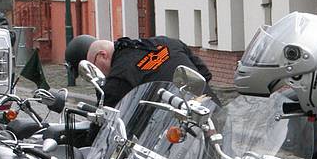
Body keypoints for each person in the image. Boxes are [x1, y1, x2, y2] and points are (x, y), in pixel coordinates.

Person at [65, 34, 216, 108]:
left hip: (175, 138)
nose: (99, 75)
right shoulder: (165, 42)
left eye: (92, 68)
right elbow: (204, 73)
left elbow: (105, 124)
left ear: (101, 55)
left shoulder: (118, 79)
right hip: (210, 112)